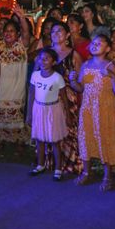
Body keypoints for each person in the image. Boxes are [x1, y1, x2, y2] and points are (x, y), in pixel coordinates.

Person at [69, 35, 115, 191]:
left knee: (105, 138)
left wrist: (113, 77)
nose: (95, 45)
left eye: (99, 43)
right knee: (86, 137)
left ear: (107, 49)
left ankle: (108, 176)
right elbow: (80, 88)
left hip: (105, 109)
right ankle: (87, 171)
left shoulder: (110, 66)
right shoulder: (86, 65)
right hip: (88, 108)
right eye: (93, 43)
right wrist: (73, 81)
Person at [28, 47, 72, 181]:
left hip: (53, 110)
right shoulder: (35, 75)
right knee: (40, 139)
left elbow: (64, 97)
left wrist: (68, 115)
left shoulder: (57, 78)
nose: (43, 61)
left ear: (53, 62)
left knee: (54, 141)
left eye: (47, 58)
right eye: (41, 58)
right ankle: (40, 165)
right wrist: (29, 114)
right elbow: (31, 94)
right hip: (38, 108)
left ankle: (58, 169)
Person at [0, 19, 30, 153]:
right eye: (6, 31)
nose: (8, 33)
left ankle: (19, 143)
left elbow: (26, 32)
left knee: (16, 118)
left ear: (18, 33)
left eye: (12, 31)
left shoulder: (22, 46)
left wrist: (21, 17)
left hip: (16, 91)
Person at [48, 22, 83, 175]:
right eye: (53, 31)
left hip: (68, 99)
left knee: (68, 130)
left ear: (68, 35)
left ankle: (69, 162)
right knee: (50, 130)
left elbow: (81, 82)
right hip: (49, 98)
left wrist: (74, 84)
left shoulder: (74, 55)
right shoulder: (46, 54)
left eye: (60, 31)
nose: (56, 33)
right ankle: (52, 163)